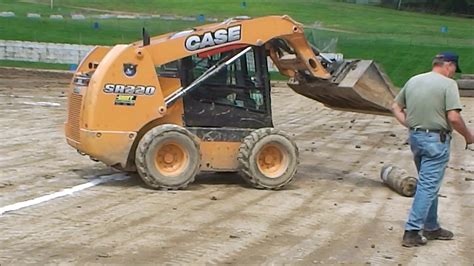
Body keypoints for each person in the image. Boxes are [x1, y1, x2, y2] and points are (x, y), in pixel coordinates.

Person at [391, 51, 474, 247]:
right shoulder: (448, 84)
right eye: (454, 69)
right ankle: (412, 231)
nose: (453, 73)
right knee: (428, 186)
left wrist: (409, 124)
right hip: (436, 141)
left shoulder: (414, 80)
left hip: (416, 138)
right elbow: (453, 117)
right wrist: (469, 136)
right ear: (449, 65)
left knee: (429, 183)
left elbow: (395, 106)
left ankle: (431, 226)